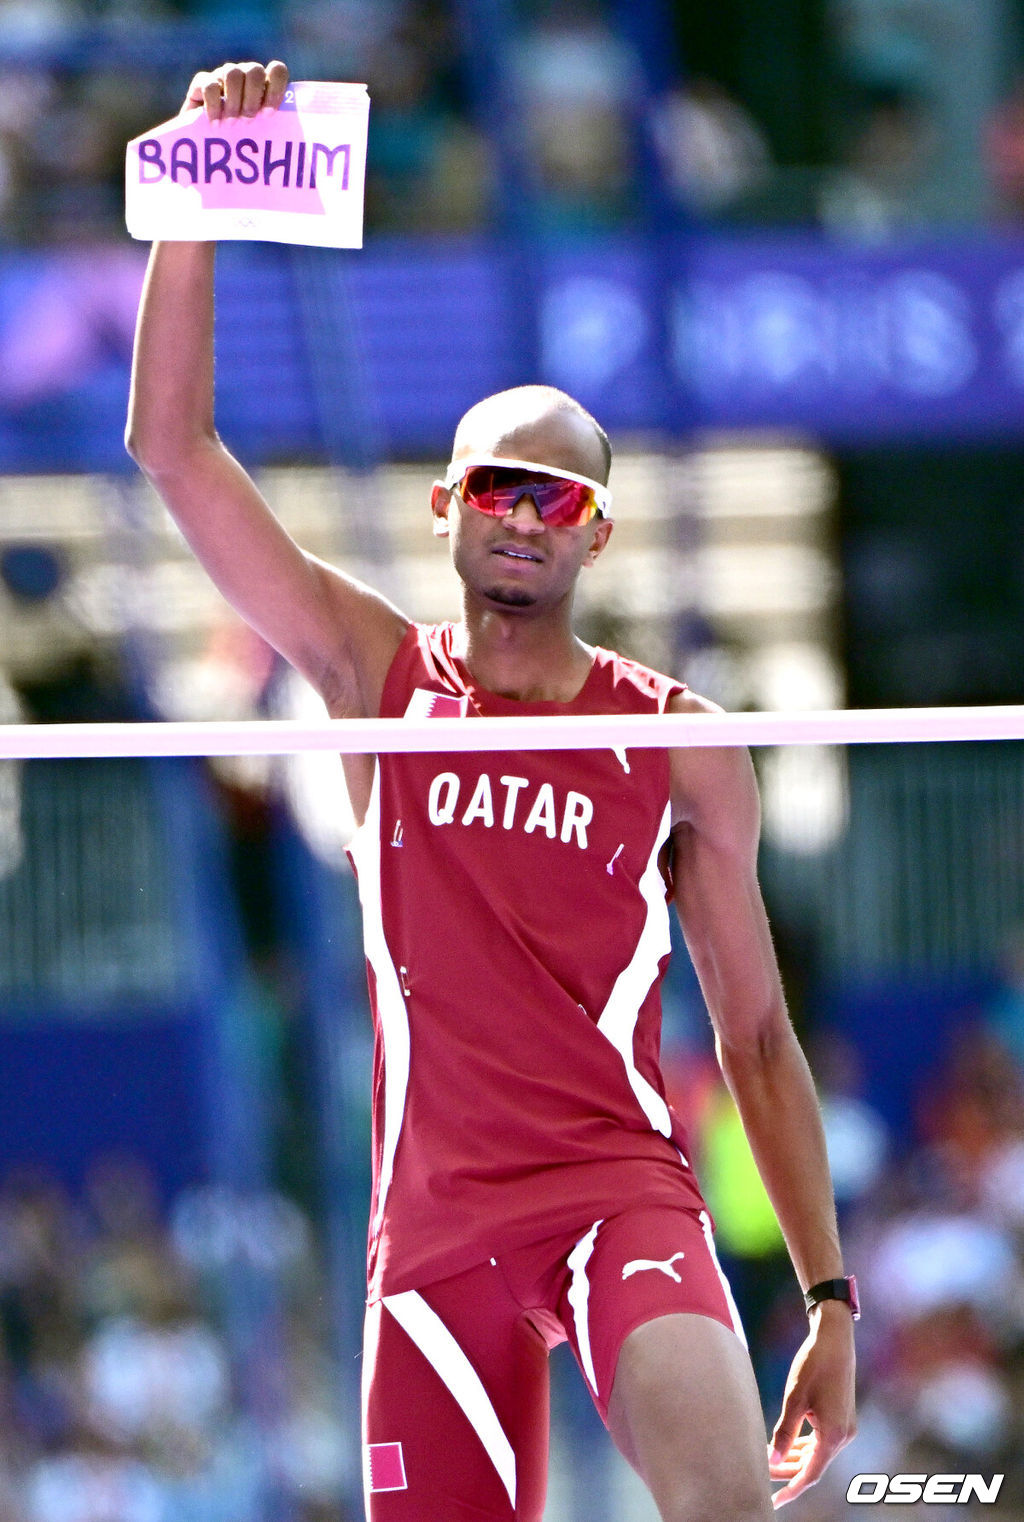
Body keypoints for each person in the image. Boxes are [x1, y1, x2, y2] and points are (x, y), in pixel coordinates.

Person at [125, 58, 856, 1522]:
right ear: (446, 508)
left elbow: (761, 1033)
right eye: (499, 488)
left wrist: (832, 1299)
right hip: (437, 1234)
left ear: (596, 536)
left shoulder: (680, 735)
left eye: (558, 498)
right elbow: (173, 449)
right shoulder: (369, 670)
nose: (526, 516)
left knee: (731, 1505)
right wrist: (199, 191)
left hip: (618, 1196)